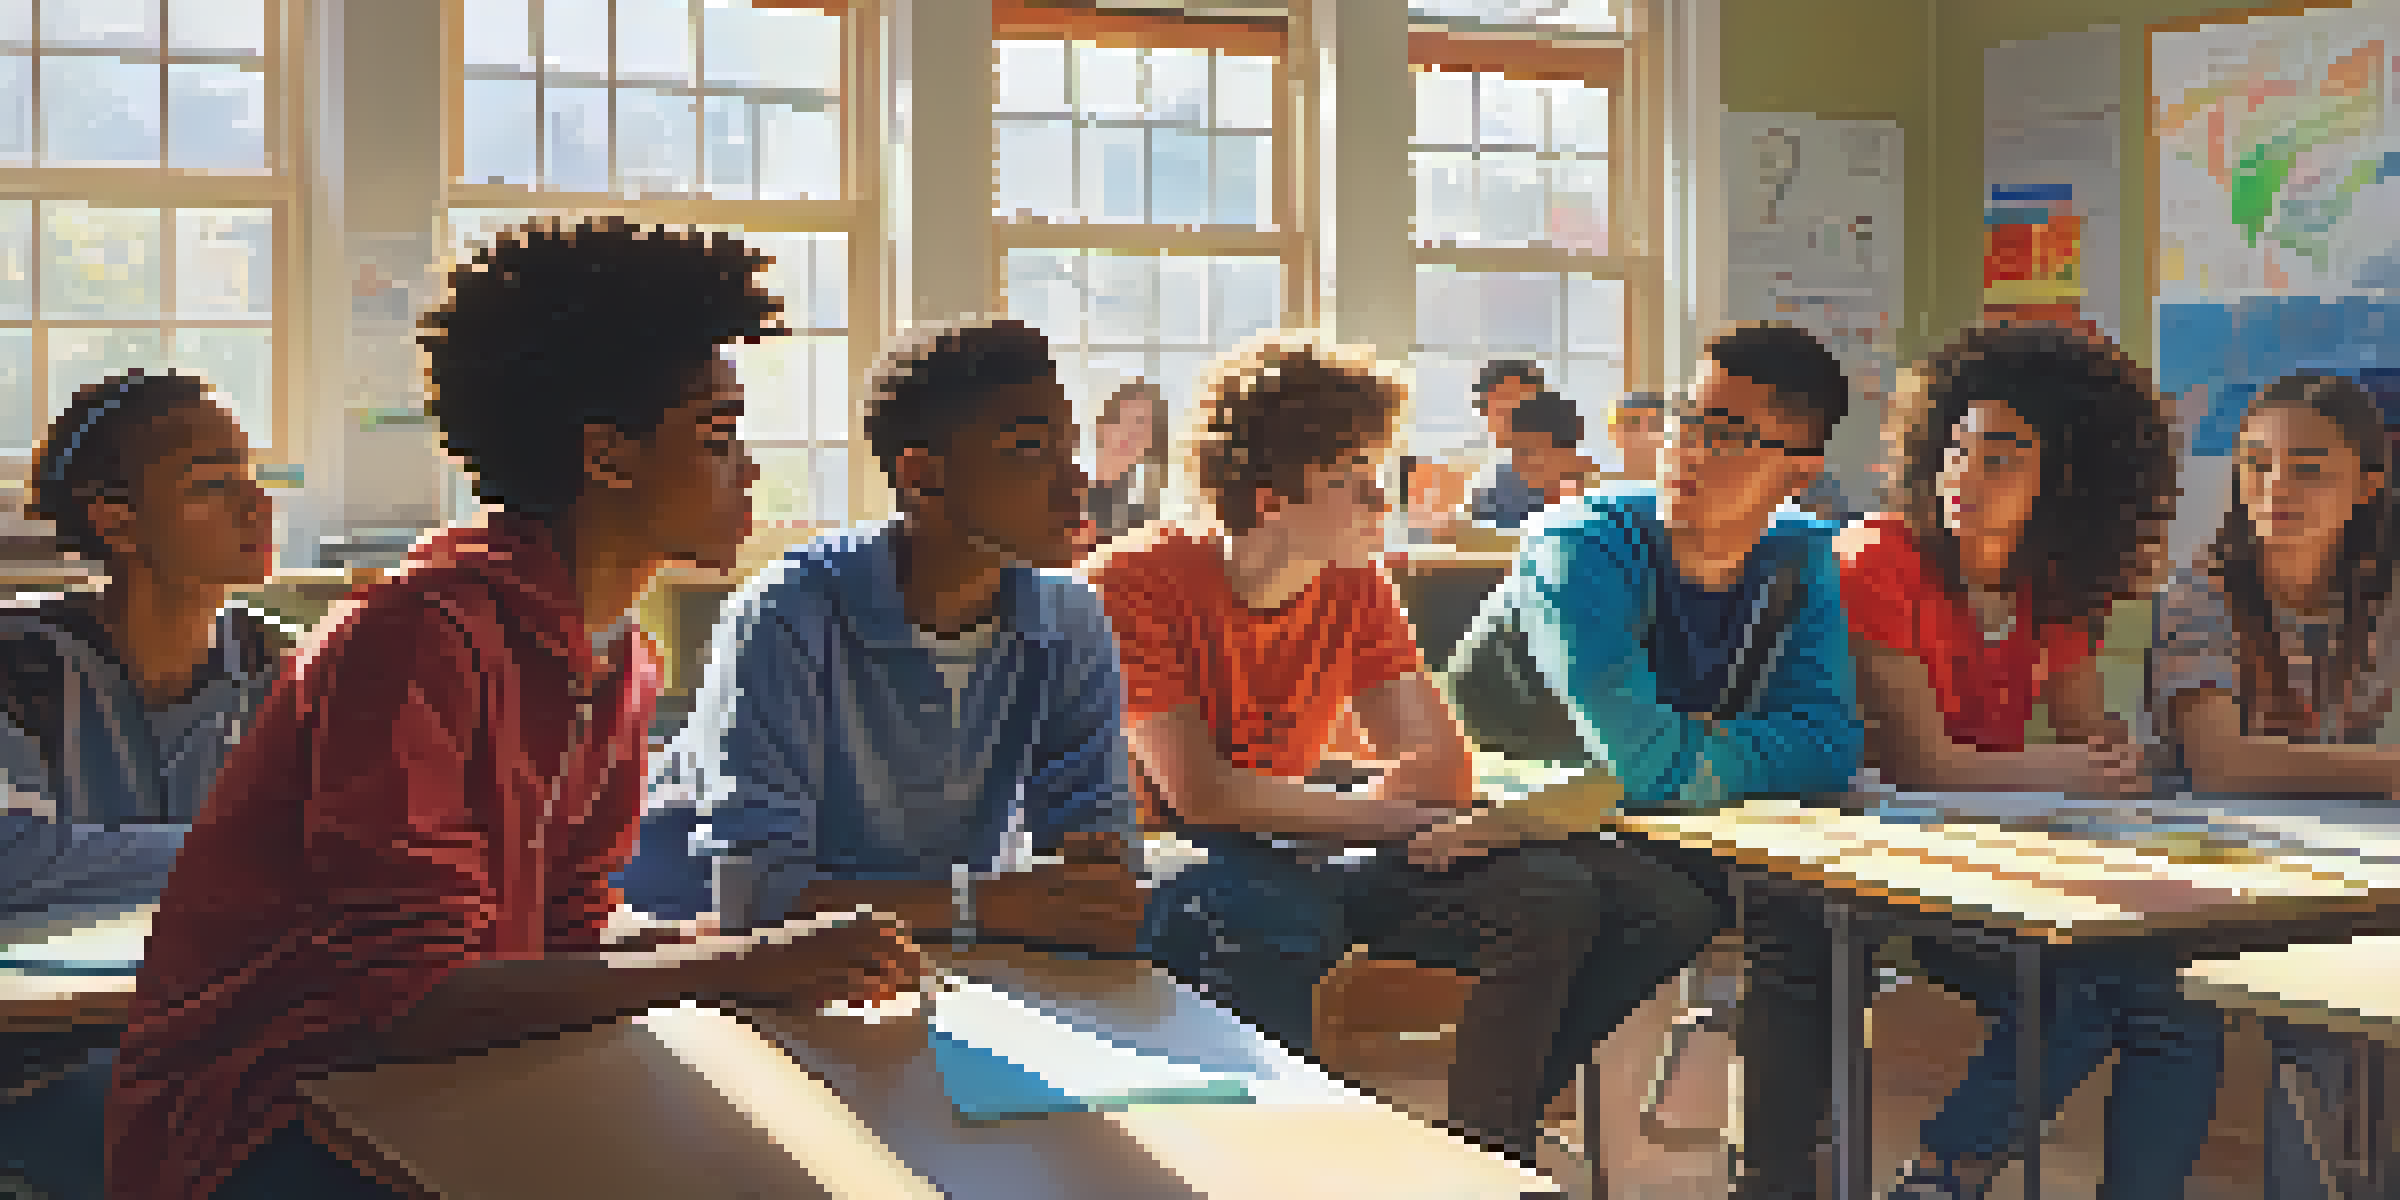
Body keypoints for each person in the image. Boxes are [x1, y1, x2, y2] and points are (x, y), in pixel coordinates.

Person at [105, 218, 923, 1200]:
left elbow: (568, 930)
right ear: (608, 458)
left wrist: (752, 955)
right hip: (256, 1121)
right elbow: (416, 1000)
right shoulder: (413, 639)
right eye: (716, 434)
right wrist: (740, 964)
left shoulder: (619, 660)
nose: (747, 468)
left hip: (441, 1086)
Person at [1092, 333, 1694, 1170]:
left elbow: (1440, 767)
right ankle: (1263, 1170)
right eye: (1350, 479)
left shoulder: (1353, 580)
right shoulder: (1134, 580)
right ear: (1268, 499)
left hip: (1304, 833)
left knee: (1644, 900)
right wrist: (1382, 816)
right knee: (1275, 915)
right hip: (1170, 853)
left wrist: (1382, 819)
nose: (1381, 498)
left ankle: (1485, 1155)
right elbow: (1200, 795)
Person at [615, 317, 1143, 952]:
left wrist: (1088, 885)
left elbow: (1098, 874)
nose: (1075, 480)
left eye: (1070, 447)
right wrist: (993, 903)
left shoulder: (1070, 618)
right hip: (696, 958)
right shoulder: (787, 613)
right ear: (923, 477)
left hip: (924, 951)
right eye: (1029, 450)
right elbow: (753, 897)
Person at [1490, 320, 1865, 1199]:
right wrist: (1715, 754)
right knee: (1663, 902)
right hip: (1506, 826)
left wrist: (1687, 751)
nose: (1686, 449)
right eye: (1687, 416)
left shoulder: (1800, 558)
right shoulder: (1579, 544)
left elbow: (1830, 742)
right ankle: (1485, 1145)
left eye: (1727, 433)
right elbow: (1642, 759)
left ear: (1798, 470)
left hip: (1662, 831)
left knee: (1807, 908)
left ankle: (1772, 1184)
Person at [1860, 323, 2216, 1200]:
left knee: (2178, 1003)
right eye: (1955, 449)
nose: (1963, 478)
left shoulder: (2051, 587)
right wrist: (2074, 764)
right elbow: (1924, 767)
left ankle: (1951, 1174)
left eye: (2000, 455)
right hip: (1888, 861)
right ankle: (1949, 1171)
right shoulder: (1879, 560)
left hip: (2013, 859)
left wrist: (2103, 753)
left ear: (2065, 477)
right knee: (2092, 976)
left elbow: (2085, 739)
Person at [0, 370, 290, 1197]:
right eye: (211, 485)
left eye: (250, 476)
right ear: (115, 519)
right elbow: (11, 861)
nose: (254, 506)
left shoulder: (280, 669)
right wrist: (243, 851)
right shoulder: (20, 665)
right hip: (38, 1064)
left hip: (222, 1044)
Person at [2147, 372, 2400, 1200]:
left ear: (2370, 483)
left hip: (2345, 866)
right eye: (2256, 463)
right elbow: (2222, 762)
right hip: (2213, 874)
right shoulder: (2202, 591)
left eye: (2307, 467)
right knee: (2330, 1027)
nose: (2274, 488)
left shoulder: (2382, 598)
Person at [1469, 386, 1598, 531]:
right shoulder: (1508, 487)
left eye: (1528, 452)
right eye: (1517, 452)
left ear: (1567, 452)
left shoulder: (1600, 499)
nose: (1521, 464)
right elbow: (1471, 529)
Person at [1088, 377, 1168, 545]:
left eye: (1140, 424)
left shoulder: (1145, 514)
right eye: (1122, 418)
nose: (1129, 432)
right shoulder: (1066, 481)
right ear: (1104, 423)